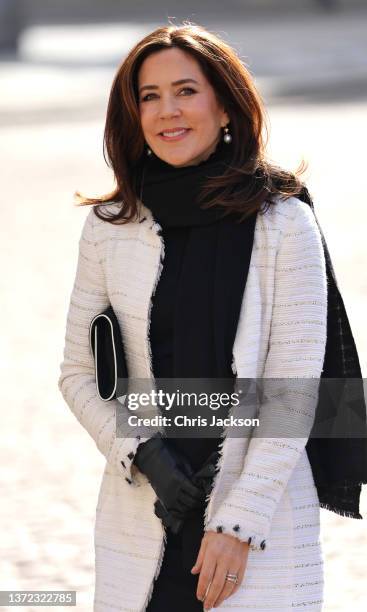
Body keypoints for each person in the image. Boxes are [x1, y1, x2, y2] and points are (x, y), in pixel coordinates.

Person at [58, 23, 365, 612]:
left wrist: (238, 525)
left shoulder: (284, 223)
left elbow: (294, 393)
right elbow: (77, 372)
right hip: (145, 509)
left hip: (260, 520)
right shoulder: (110, 227)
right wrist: (143, 452)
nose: (167, 112)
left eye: (186, 91)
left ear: (225, 105)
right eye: (149, 96)